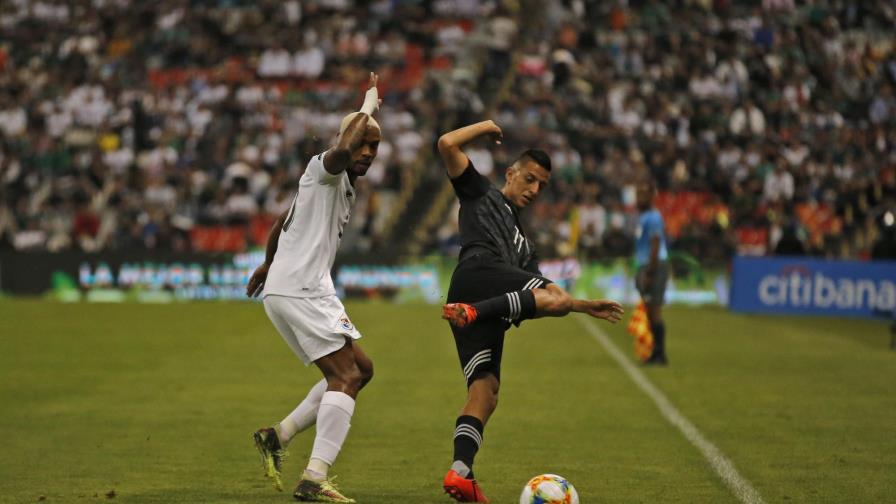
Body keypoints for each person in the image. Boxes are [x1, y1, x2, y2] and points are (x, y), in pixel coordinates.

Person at [437, 120, 625, 503]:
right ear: (511, 173)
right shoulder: (481, 193)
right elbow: (446, 144)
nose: (535, 190)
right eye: (530, 179)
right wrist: (485, 127)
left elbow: (548, 299)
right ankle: (472, 312)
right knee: (554, 298)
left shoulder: (525, 249)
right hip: (477, 276)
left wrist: (583, 306)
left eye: (542, 185)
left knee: (486, 392)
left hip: (483, 299)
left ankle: (460, 472)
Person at [245, 73, 382, 503]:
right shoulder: (325, 167)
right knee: (345, 376)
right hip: (303, 290)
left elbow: (281, 221)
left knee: (363, 369)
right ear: (345, 137)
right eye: (362, 142)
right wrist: (369, 106)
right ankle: (314, 478)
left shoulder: (337, 186)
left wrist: (268, 264)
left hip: (302, 289)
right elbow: (342, 148)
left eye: (374, 147)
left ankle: (278, 436)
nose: (366, 152)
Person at [634, 178, 670, 365]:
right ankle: (656, 352)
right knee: (649, 310)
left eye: (643, 194)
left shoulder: (654, 217)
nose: (639, 197)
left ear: (651, 196)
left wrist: (649, 272)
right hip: (645, 265)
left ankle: (660, 354)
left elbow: (655, 245)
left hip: (653, 266)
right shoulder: (643, 216)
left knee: (654, 311)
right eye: (638, 193)